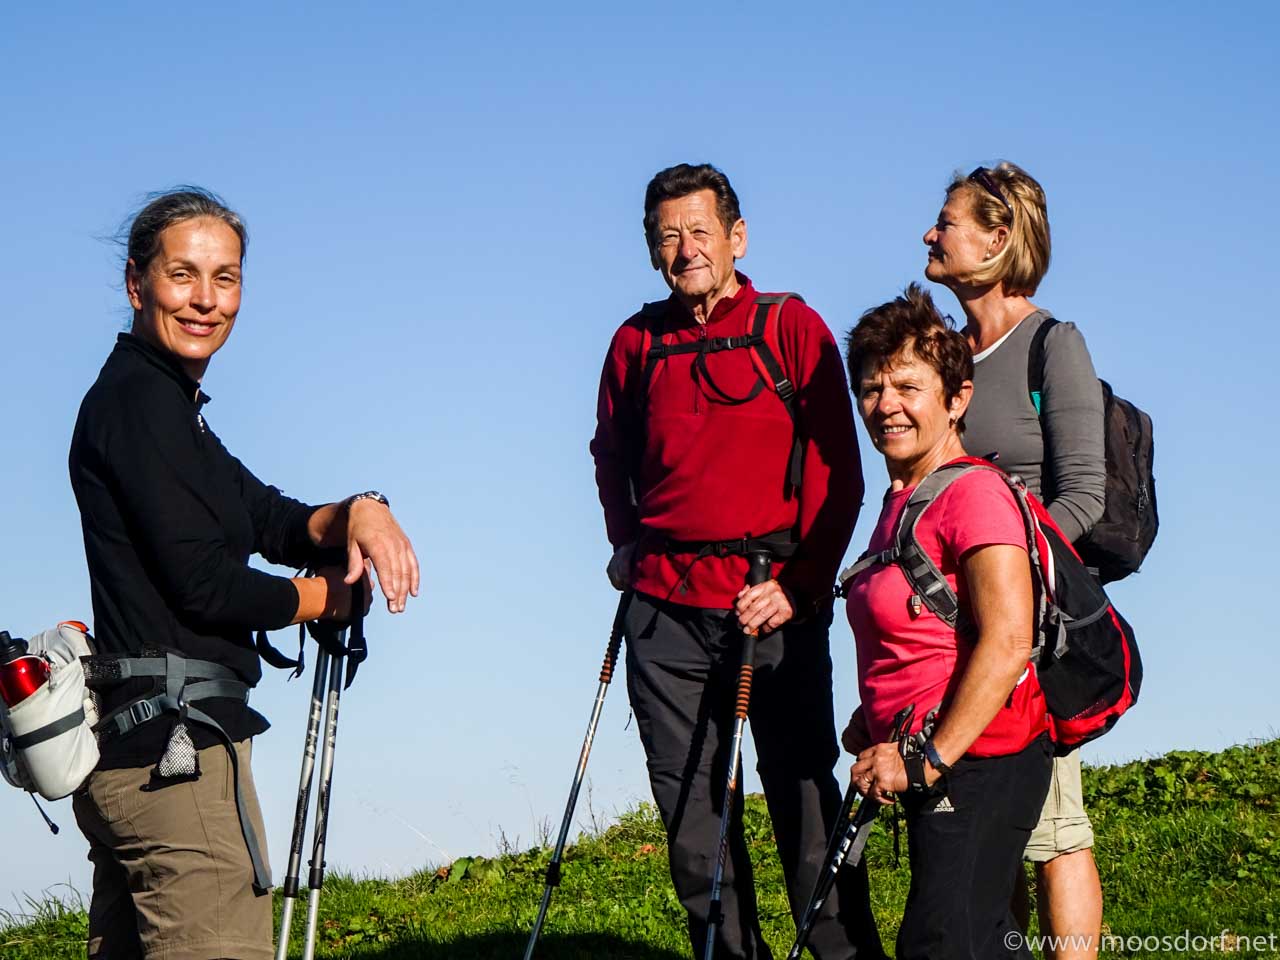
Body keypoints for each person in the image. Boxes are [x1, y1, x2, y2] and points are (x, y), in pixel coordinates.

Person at [68, 187, 420, 960]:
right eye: (183, 275)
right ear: (137, 284)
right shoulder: (138, 406)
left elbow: (269, 518)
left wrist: (358, 511)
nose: (205, 300)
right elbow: (207, 584)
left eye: (225, 278)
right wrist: (330, 596)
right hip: (176, 762)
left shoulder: (170, 407)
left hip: (151, 752)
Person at [590, 163, 883, 960]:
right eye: (667, 237)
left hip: (772, 600)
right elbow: (608, 450)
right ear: (652, 251)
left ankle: (842, 955)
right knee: (691, 816)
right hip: (662, 608)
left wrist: (800, 585)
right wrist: (624, 541)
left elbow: (840, 474)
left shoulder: (791, 327)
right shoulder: (635, 342)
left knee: (804, 797)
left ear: (736, 238)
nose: (685, 250)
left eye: (699, 232)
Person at [921, 162, 1105, 959]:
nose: (931, 234)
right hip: (953, 629)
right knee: (989, 822)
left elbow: (1086, 494)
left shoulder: (1051, 343)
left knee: (1053, 829)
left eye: (947, 221)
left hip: (1027, 628)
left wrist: (1014, 582)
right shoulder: (947, 355)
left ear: (997, 240)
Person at [842, 284, 1054, 960]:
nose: (886, 405)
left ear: (956, 398)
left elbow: (1009, 638)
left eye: (908, 385)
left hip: (978, 761)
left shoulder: (974, 495)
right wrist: (873, 719)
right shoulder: (903, 503)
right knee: (981, 940)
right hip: (935, 758)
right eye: (872, 389)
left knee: (941, 943)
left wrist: (927, 759)